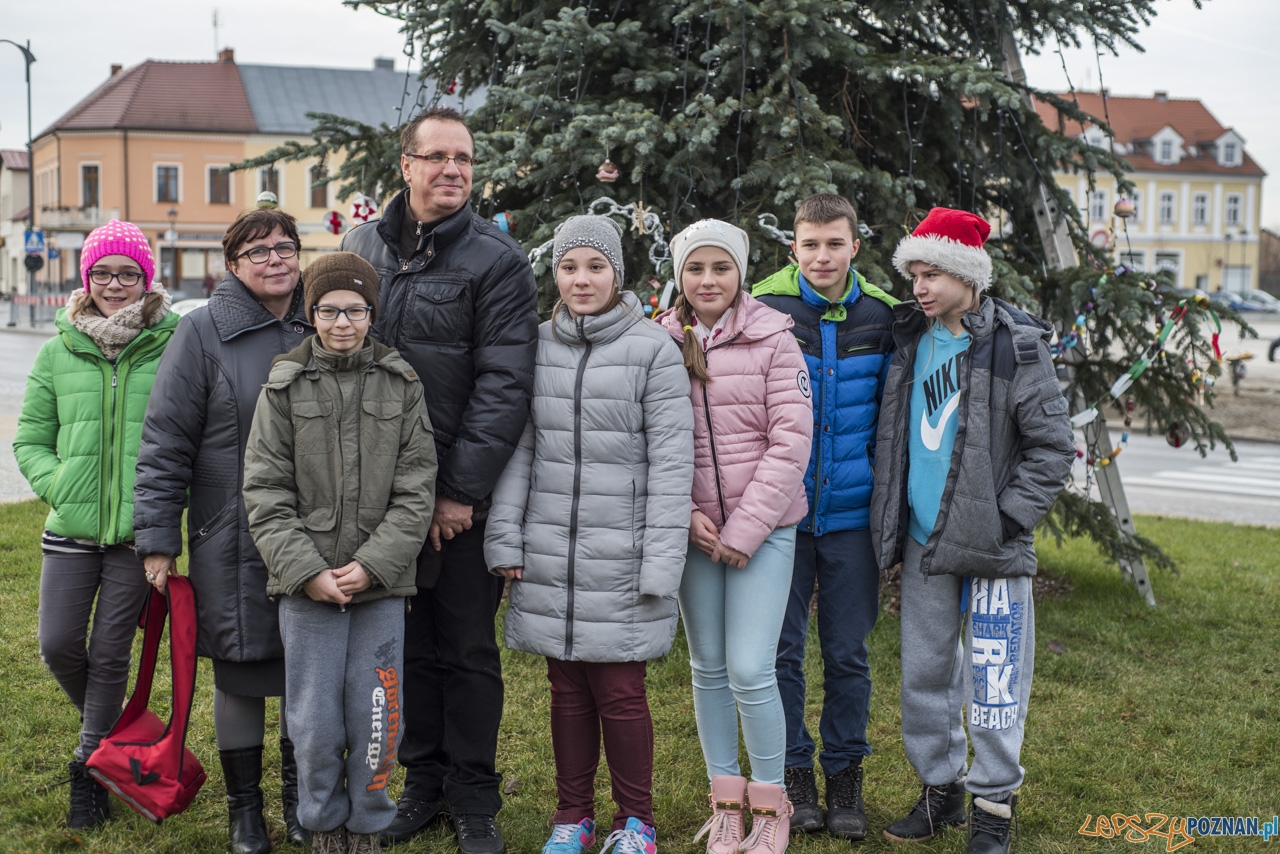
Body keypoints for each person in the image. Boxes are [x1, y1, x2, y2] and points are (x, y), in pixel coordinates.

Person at [340, 105, 538, 854]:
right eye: (438, 157)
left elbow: (504, 386)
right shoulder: (361, 247)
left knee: (465, 648)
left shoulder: (496, 260)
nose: (453, 169)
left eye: (464, 158)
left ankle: (476, 797)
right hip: (374, 497)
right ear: (406, 164)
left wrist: (458, 493)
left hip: (457, 500)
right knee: (404, 648)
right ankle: (422, 783)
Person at [484, 216, 693, 854]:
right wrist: (505, 537)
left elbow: (671, 464)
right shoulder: (536, 344)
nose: (582, 279)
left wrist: (661, 564)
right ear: (556, 274)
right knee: (566, 689)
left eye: (595, 267)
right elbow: (519, 449)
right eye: (570, 267)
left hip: (623, 554)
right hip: (549, 548)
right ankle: (571, 816)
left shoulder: (653, 350)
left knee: (622, 692)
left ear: (617, 274)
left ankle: (638, 823)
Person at [869, 208, 1074, 853]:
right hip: (924, 541)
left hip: (991, 546)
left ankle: (993, 804)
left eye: (933, 275)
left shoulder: (1017, 345)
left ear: (967, 275)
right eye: (915, 275)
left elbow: (1052, 448)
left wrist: (1006, 519)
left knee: (994, 676)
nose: (920, 287)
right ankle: (940, 790)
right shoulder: (909, 338)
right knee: (925, 671)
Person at [133, 206, 314, 854]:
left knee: (305, 670)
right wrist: (157, 541)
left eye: (285, 247)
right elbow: (164, 442)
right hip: (228, 534)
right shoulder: (202, 332)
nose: (275, 259)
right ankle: (245, 814)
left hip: (313, 535)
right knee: (239, 669)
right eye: (258, 250)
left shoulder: (323, 322)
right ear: (232, 264)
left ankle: (303, 803)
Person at [243, 252, 437, 854]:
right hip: (308, 590)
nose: (343, 322)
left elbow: (416, 489)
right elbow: (265, 491)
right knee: (314, 724)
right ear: (313, 315)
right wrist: (306, 571)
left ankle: (370, 826)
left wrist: (375, 565)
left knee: (377, 719)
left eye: (355, 310)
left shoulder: (402, 385)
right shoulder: (284, 388)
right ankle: (324, 824)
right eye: (329, 310)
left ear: (372, 314)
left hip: (380, 587)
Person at [14, 220, 178, 830]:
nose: (116, 284)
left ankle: (89, 767)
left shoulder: (171, 344)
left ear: (146, 279)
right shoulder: (59, 349)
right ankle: (121, 741)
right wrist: (62, 487)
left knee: (110, 655)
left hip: (139, 534)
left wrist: (164, 509)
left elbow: (188, 433)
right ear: (87, 279)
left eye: (128, 273)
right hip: (71, 529)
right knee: (57, 645)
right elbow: (30, 440)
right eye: (104, 272)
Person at [655, 220, 812, 854]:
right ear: (680, 275)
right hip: (696, 532)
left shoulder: (775, 338)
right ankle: (726, 802)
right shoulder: (663, 340)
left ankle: (772, 804)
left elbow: (790, 442)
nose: (708, 280)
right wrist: (688, 513)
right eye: (696, 268)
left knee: (750, 668)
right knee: (708, 667)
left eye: (721, 268)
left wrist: (746, 528)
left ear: (740, 273)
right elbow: (659, 438)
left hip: (764, 530)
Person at [751, 194, 897, 839]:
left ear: (855, 246)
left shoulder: (885, 317)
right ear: (793, 249)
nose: (822, 256)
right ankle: (793, 773)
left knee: (847, 653)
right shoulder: (762, 308)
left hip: (850, 518)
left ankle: (845, 775)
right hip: (781, 516)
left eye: (834, 244)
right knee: (780, 650)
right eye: (810, 244)